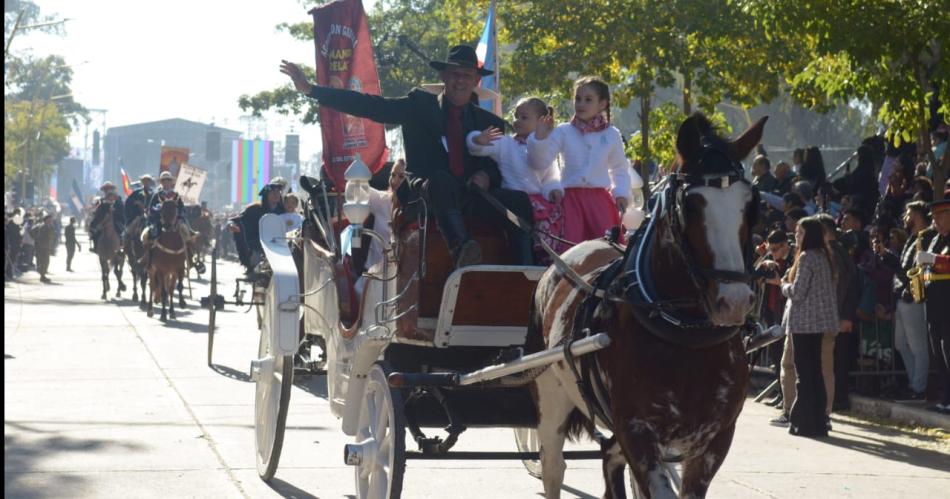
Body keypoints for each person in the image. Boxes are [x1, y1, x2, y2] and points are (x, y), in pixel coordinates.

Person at [280, 44, 535, 267]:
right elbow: (370, 105)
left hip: (470, 196)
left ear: (476, 80)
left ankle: (526, 270)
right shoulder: (419, 106)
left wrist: (485, 175)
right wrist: (311, 90)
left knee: (519, 200)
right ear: (444, 77)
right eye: (455, 74)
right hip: (427, 196)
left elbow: (497, 165)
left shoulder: (490, 123)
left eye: (467, 75)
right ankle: (462, 249)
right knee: (441, 180)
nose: (460, 81)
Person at [528, 76, 639, 244]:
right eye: (578, 99)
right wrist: (540, 139)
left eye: (588, 100)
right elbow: (540, 163)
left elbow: (619, 168)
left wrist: (621, 193)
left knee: (607, 251)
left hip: (600, 203)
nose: (581, 104)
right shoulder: (563, 131)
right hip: (570, 203)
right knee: (571, 251)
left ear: (602, 104)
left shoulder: (612, 134)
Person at [468, 96, 565, 264]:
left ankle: (545, 260)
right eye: (516, 116)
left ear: (541, 122)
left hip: (540, 203)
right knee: (522, 230)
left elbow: (550, 175)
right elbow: (478, 149)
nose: (517, 121)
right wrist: (477, 140)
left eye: (524, 117)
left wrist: (553, 188)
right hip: (514, 203)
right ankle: (526, 262)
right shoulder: (505, 143)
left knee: (555, 225)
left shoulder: (548, 147)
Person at [780, 216, 838, 437]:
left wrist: (784, 285)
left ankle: (803, 423)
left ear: (809, 235)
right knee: (815, 372)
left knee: (804, 374)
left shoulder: (806, 257)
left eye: (800, 233)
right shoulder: (825, 256)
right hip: (821, 322)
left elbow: (798, 292)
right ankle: (818, 421)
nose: (796, 236)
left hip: (804, 323)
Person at [817, 213, 860, 414]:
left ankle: (836, 400)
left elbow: (843, 286)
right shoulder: (838, 251)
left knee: (835, 362)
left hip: (836, 316)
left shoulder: (834, 252)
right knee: (835, 361)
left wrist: (842, 315)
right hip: (838, 314)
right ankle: (836, 399)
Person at [892, 201, 936, 400]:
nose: (906, 217)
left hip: (915, 298)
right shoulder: (912, 237)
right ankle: (914, 382)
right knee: (900, 343)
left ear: (918, 215)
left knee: (918, 347)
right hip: (903, 295)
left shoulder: (927, 237)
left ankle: (919, 388)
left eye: (909, 213)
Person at [915, 189, 950, 414]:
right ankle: (946, 398)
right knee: (938, 352)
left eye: (940, 216)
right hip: (934, 302)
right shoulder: (935, 238)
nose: (935, 221)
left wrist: (933, 259)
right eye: (934, 217)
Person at [228, 183, 285, 273]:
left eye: (278, 192)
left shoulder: (284, 211)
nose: (276, 194)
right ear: (266, 195)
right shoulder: (254, 209)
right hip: (259, 246)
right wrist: (231, 225)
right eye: (273, 192)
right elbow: (237, 220)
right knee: (257, 262)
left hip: (281, 245)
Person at [90, 182, 125, 252]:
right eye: (105, 189)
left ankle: (122, 246)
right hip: (103, 220)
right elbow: (98, 211)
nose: (107, 190)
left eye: (108, 189)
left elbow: (121, 209)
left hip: (116, 219)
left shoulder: (118, 200)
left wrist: (114, 211)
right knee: (95, 231)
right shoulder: (101, 201)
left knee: (121, 231)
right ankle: (96, 246)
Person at [29, 212, 56, 283]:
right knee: (43, 261)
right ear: (46, 219)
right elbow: (39, 237)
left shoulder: (50, 226)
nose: (51, 220)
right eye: (50, 219)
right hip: (42, 247)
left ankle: (43, 275)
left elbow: (52, 236)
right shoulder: (43, 227)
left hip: (47, 247)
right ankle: (42, 275)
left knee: (46, 261)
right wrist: (37, 243)